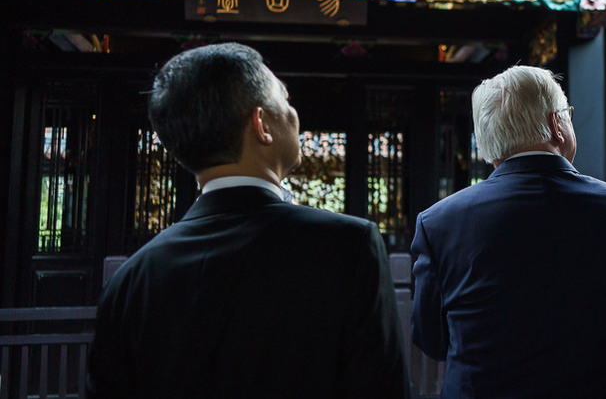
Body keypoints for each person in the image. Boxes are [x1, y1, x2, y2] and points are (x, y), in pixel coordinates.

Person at [87, 42, 409, 399]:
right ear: (261, 124)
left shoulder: (132, 280)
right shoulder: (349, 247)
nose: (293, 113)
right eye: (285, 100)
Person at [411, 65, 606, 398]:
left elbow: (432, 339)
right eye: (568, 115)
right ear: (558, 125)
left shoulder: (439, 223)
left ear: (486, 142)